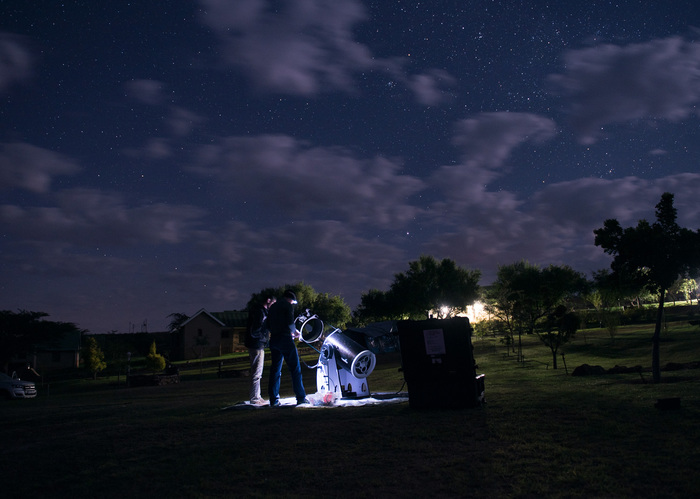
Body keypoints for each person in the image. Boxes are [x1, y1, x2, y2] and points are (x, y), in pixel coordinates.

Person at [266, 290, 309, 406]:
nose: (292, 304)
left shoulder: (273, 307)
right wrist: (295, 332)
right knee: (295, 369)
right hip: (285, 340)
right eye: (293, 302)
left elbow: (267, 325)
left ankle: (273, 400)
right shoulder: (288, 306)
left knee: (275, 370)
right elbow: (290, 322)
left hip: (274, 340)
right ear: (290, 299)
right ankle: (301, 397)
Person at [245, 295, 275, 406]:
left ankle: (257, 396)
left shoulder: (260, 311)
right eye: (273, 303)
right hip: (256, 345)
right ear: (268, 300)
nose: (273, 306)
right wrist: (263, 338)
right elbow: (256, 329)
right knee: (256, 372)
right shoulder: (260, 312)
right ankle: (255, 398)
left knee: (258, 372)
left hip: (257, 343)